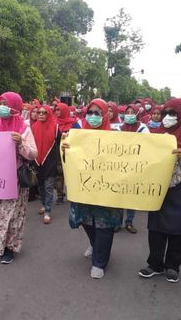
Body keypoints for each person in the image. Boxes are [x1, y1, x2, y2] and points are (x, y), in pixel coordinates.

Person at [138, 98, 181, 283]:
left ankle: (173, 266)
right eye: (165, 113)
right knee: (156, 229)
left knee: (180, 230)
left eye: (173, 113)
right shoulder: (157, 136)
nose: (167, 117)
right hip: (160, 191)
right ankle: (155, 264)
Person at [62, 98, 122, 279]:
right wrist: (65, 148)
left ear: (105, 115)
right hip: (85, 186)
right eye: (90, 112)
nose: (93, 116)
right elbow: (69, 160)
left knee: (104, 223)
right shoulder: (77, 133)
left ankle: (99, 262)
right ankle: (95, 244)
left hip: (107, 187)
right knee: (85, 219)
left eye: (98, 113)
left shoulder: (116, 135)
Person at [0, 91, 37, 264]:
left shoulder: (24, 128)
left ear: (15, 106)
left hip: (15, 180)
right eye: (0, 102)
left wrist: (20, 144)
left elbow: (33, 153)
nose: (1, 106)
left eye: (6, 103)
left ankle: (9, 248)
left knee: (11, 215)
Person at [118, 104, 150, 234]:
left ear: (137, 114)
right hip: (119, 167)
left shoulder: (143, 129)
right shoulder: (118, 128)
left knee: (131, 195)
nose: (129, 114)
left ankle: (129, 222)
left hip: (135, 167)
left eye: (133, 112)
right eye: (128, 112)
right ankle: (117, 223)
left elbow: (148, 146)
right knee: (118, 196)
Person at [32, 105, 61, 224]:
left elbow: (61, 144)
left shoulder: (55, 127)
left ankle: (48, 211)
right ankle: (44, 204)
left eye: (44, 113)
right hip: (37, 161)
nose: (41, 115)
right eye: (39, 112)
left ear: (48, 114)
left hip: (51, 162)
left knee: (49, 186)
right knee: (41, 186)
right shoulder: (33, 127)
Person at [53, 102, 80, 204]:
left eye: (59, 110)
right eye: (56, 110)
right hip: (58, 153)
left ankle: (74, 194)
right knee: (59, 174)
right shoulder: (54, 122)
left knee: (71, 174)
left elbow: (79, 136)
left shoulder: (73, 123)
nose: (57, 112)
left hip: (71, 153)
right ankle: (60, 195)